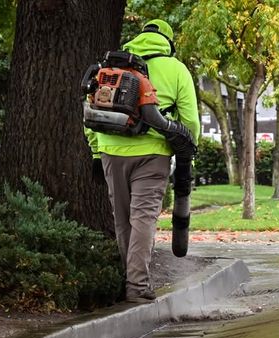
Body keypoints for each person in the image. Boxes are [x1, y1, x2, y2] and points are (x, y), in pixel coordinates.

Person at [86, 19, 200, 303]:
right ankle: (137, 286)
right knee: (144, 219)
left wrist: (96, 152)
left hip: (111, 149)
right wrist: (187, 150)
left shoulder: (110, 66)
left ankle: (130, 279)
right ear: (168, 42)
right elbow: (191, 121)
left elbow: (91, 112)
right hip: (153, 153)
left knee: (122, 219)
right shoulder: (176, 69)